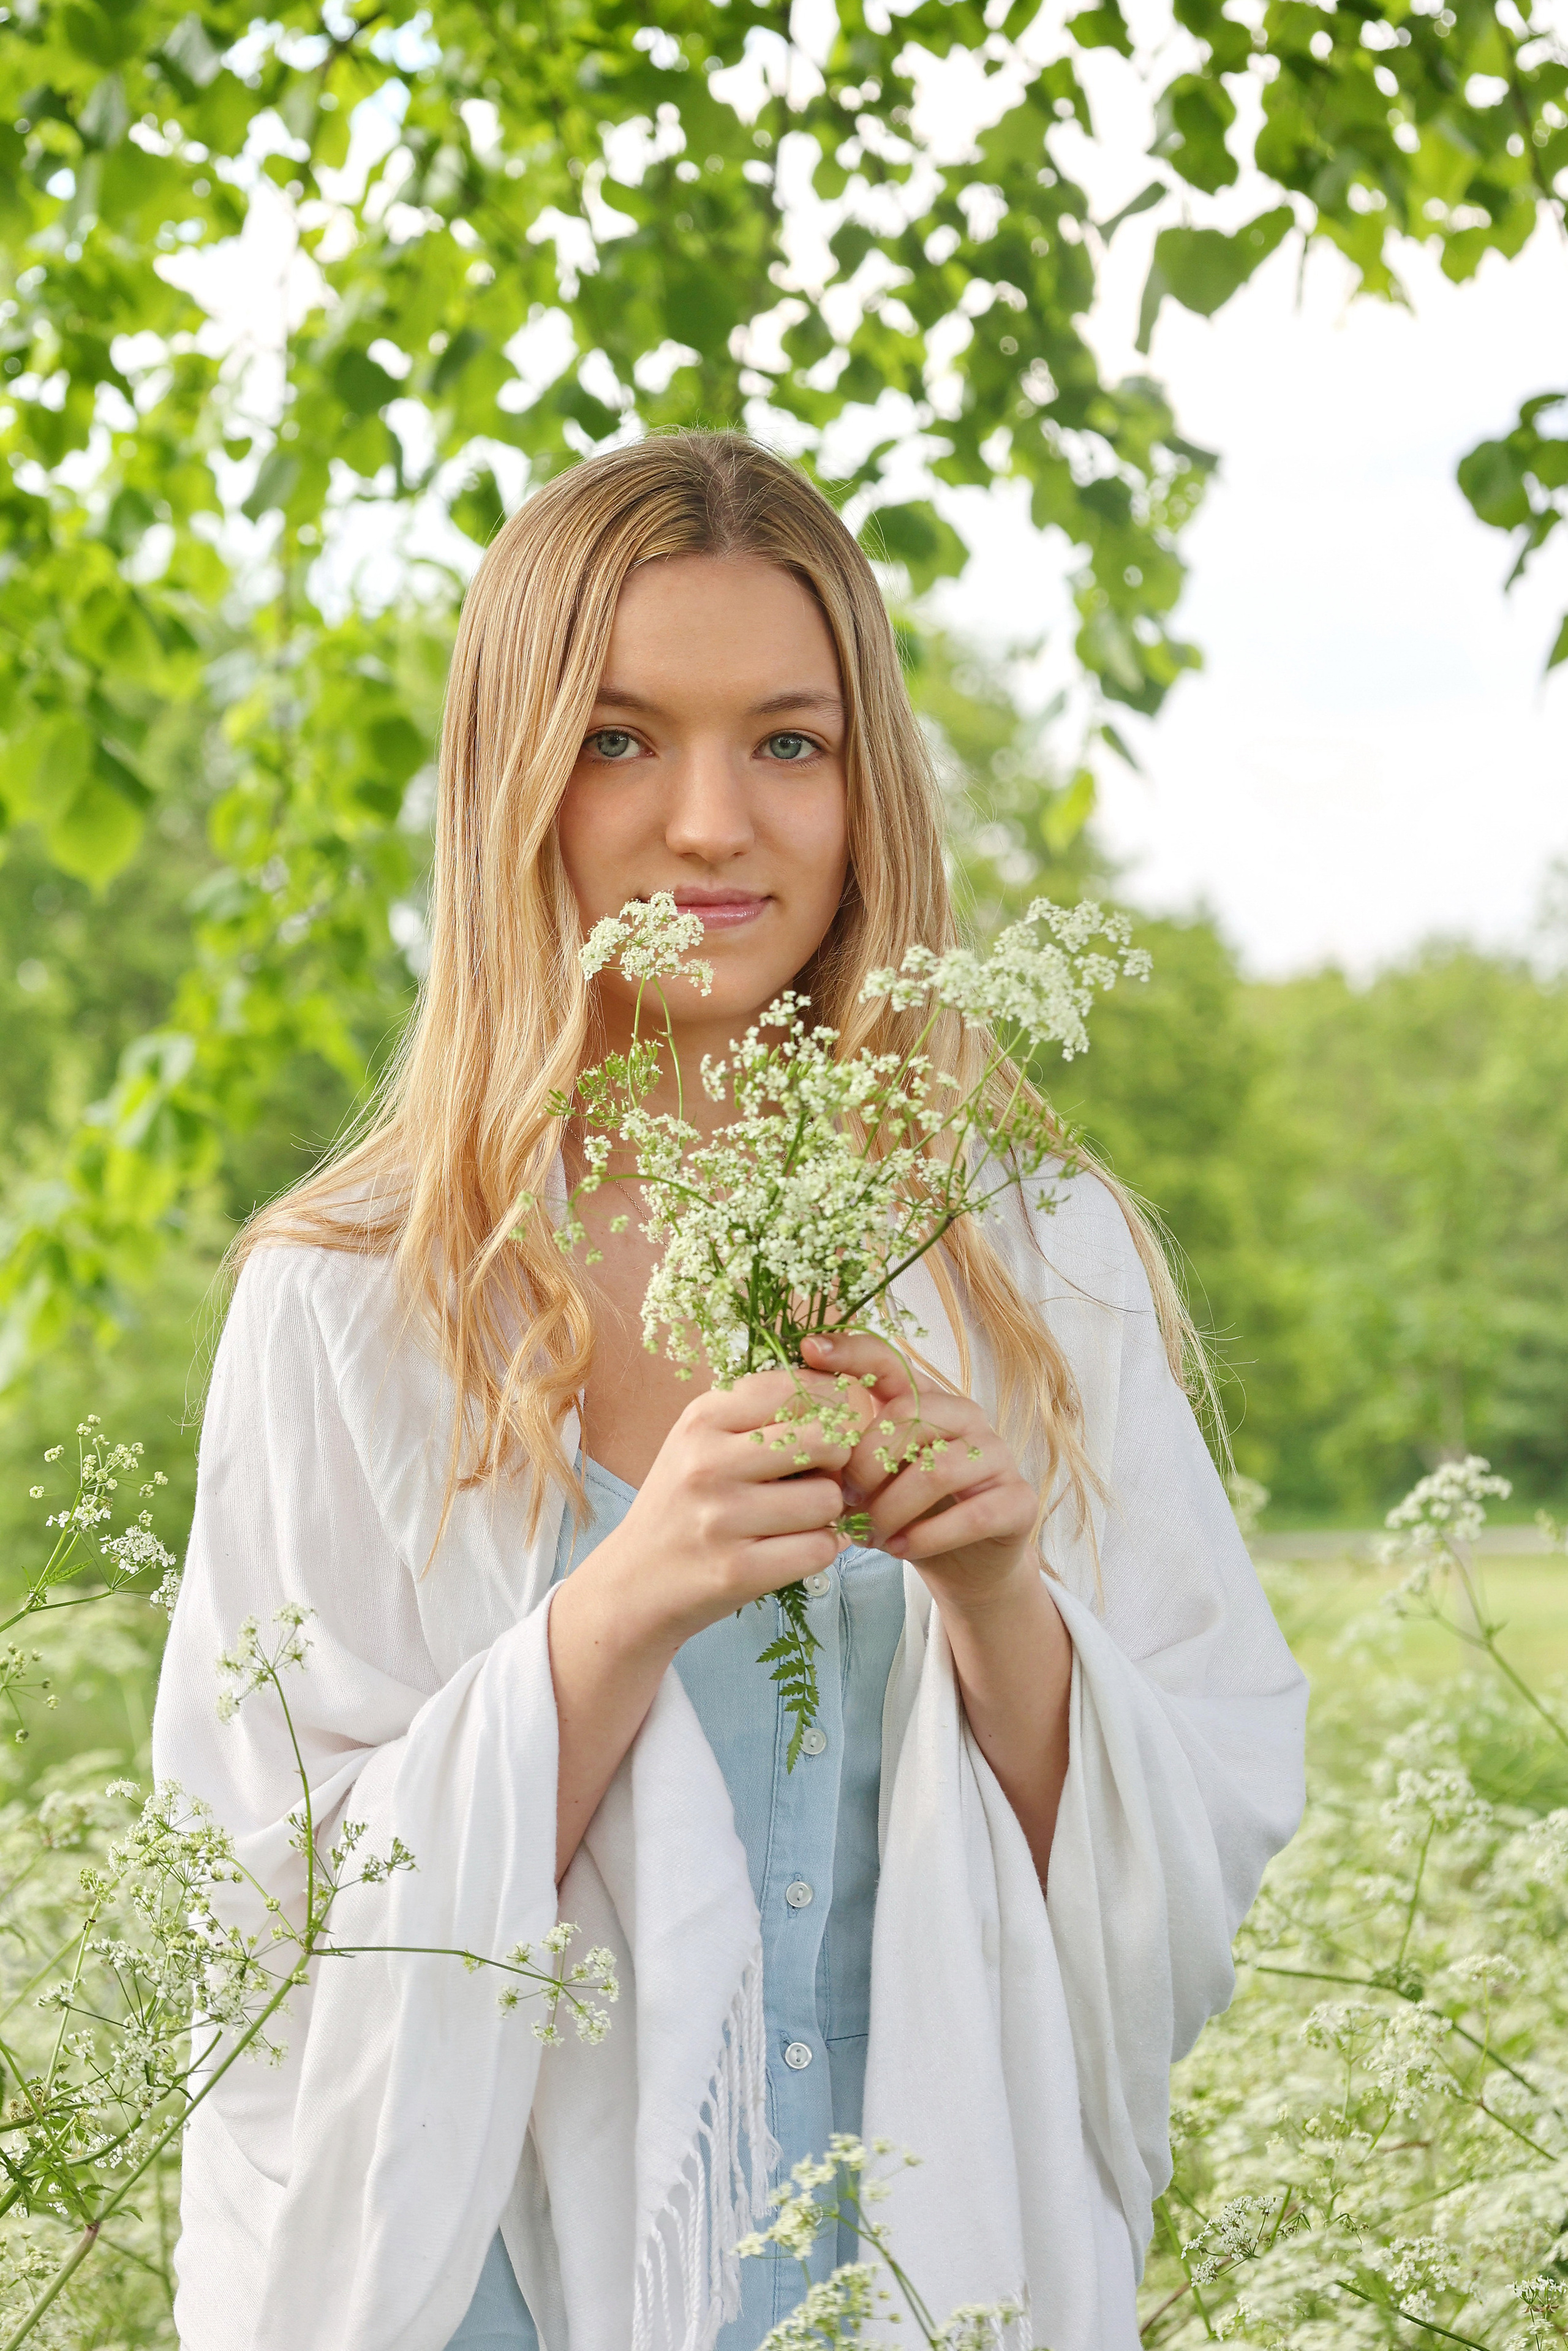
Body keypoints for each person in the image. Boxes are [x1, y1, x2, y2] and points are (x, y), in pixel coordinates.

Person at [151, 430, 1307, 2351]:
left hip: (932, 2243)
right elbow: (263, 1939)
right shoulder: (352, 1306)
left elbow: (1181, 1865)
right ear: (512, 778)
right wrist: (615, 1611)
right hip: (490, 2280)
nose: (712, 825)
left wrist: (1001, 1602)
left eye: (788, 741)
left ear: (868, 787)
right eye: (620, 739)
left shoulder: (1035, 1263)